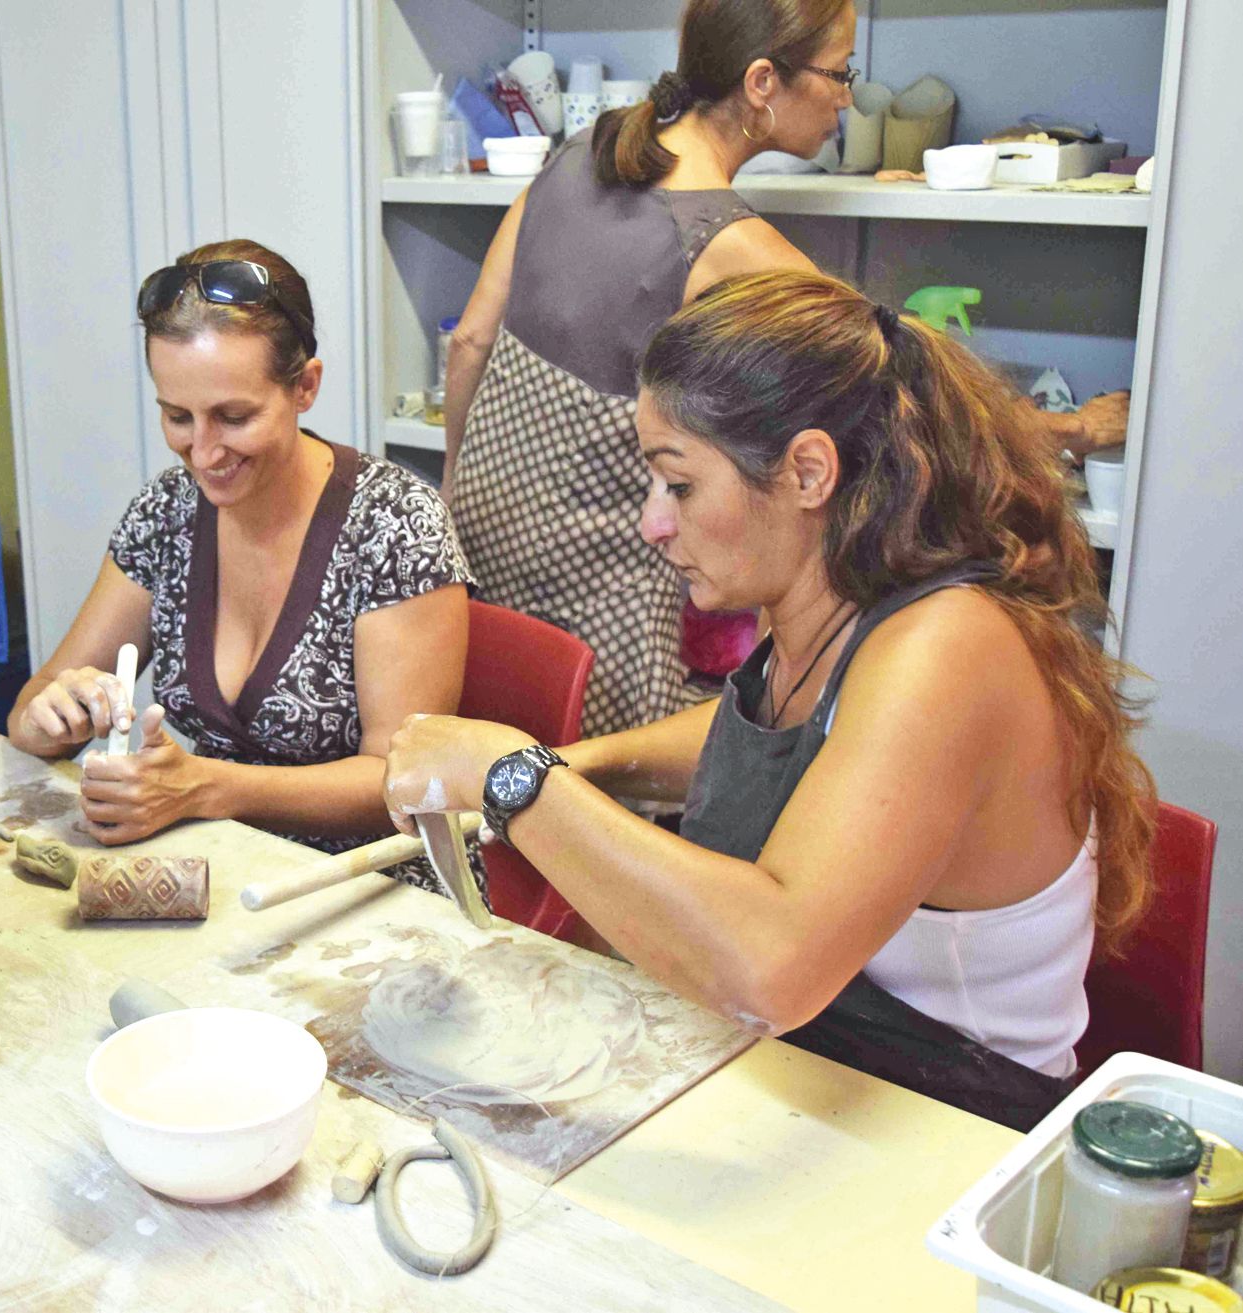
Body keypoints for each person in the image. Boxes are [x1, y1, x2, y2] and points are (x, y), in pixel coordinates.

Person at [385, 272, 1156, 1127]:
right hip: (820, 1081)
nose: (653, 522)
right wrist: (589, 763)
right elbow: (785, 731)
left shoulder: (946, 645)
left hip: (953, 1129)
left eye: (678, 484)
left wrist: (513, 774)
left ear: (807, 472)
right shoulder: (832, 595)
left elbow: (771, 969)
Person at [443, 0, 852, 741]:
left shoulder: (581, 148)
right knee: (595, 782)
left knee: (496, 750)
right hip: (598, 562)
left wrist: (454, 482)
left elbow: (470, 339)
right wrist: (1070, 429)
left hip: (480, 510)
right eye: (839, 72)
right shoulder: (728, 241)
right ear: (762, 81)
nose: (846, 96)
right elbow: (886, 365)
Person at [9, 240, 474, 891]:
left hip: (375, 885)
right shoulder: (167, 512)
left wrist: (204, 786)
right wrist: (48, 717)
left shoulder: (394, 524)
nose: (202, 452)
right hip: (223, 865)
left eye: (233, 417)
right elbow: (36, 703)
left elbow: (397, 779)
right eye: (177, 416)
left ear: (305, 385)